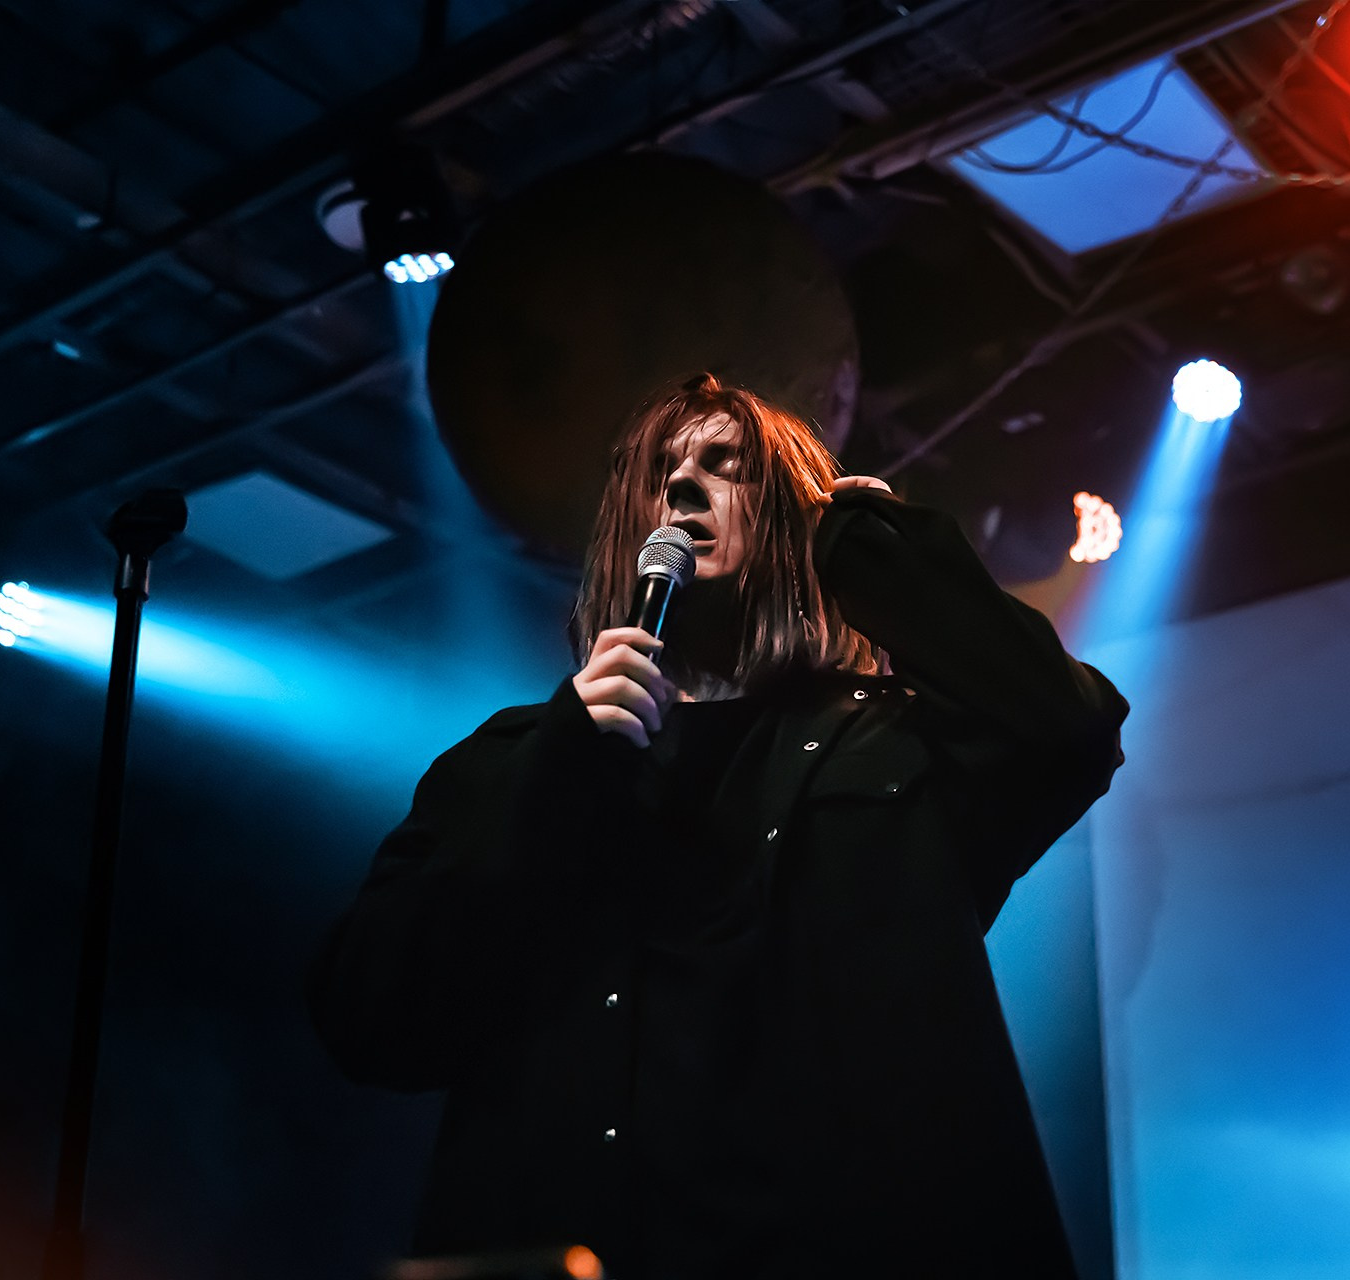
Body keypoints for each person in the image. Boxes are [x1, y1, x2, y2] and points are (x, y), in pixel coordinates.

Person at [309, 373, 1128, 1279]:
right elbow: (370, 1020)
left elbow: (1070, 732)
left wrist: (878, 551)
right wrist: (556, 770)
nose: (682, 483)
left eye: (725, 465)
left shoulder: (899, 741)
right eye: (661, 470)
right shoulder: (512, 759)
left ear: (790, 520)